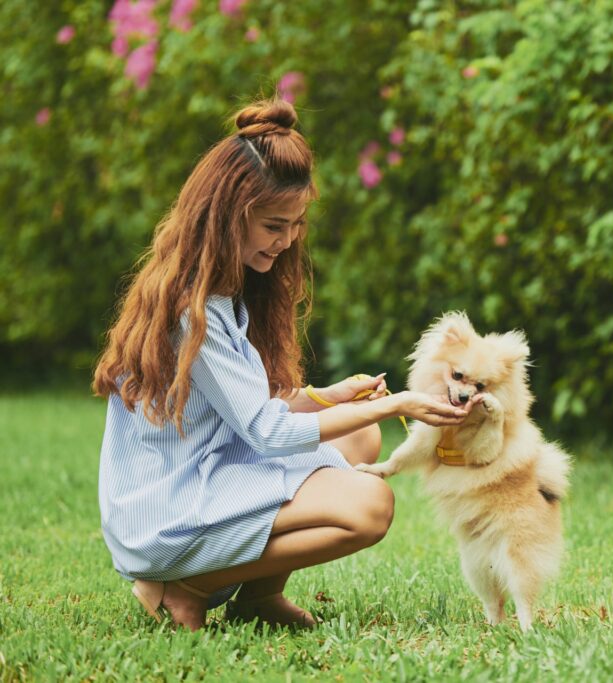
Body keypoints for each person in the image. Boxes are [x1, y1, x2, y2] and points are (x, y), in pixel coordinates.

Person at [92, 99, 470, 631]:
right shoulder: (192, 312)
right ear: (229, 214)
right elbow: (267, 432)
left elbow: (245, 408)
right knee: (369, 504)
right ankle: (186, 589)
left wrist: (333, 396)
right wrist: (399, 405)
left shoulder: (224, 293)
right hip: (167, 513)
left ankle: (257, 598)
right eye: (274, 225)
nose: (288, 239)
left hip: (206, 472)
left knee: (359, 442)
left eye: (295, 224)